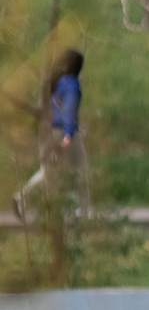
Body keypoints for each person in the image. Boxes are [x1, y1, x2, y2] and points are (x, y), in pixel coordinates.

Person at [12, 49, 88, 221]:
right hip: (65, 132)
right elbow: (68, 110)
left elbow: (53, 109)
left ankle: (23, 196)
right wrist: (69, 133)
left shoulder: (55, 83)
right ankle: (79, 212)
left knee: (49, 170)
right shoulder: (72, 84)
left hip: (49, 132)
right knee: (78, 171)